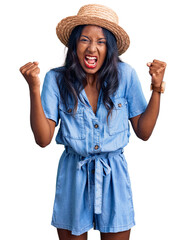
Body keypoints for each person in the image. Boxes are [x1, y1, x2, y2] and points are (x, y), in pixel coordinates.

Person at [19, 4, 166, 240]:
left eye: (101, 42)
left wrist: (157, 88)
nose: (92, 48)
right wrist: (34, 89)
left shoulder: (126, 75)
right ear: (74, 43)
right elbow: (43, 139)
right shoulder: (55, 79)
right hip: (73, 176)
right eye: (85, 39)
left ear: (110, 48)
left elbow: (144, 131)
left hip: (113, 176)